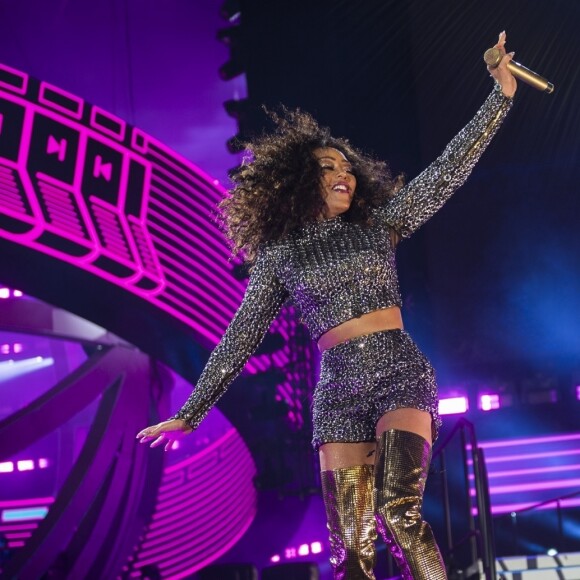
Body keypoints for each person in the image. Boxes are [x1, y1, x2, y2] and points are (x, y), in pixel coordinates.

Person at [137, 32, 516, 579]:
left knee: (399, 512)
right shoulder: (279, 255)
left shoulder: (376, 224)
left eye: (348, 165)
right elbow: (239, 339)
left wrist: (498, 97)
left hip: (398, 371)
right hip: (337, 389)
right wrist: (190, 413)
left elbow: (444, 173)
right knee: (351, 553)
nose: (346, 174)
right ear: (297, 182)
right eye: (329, 166)